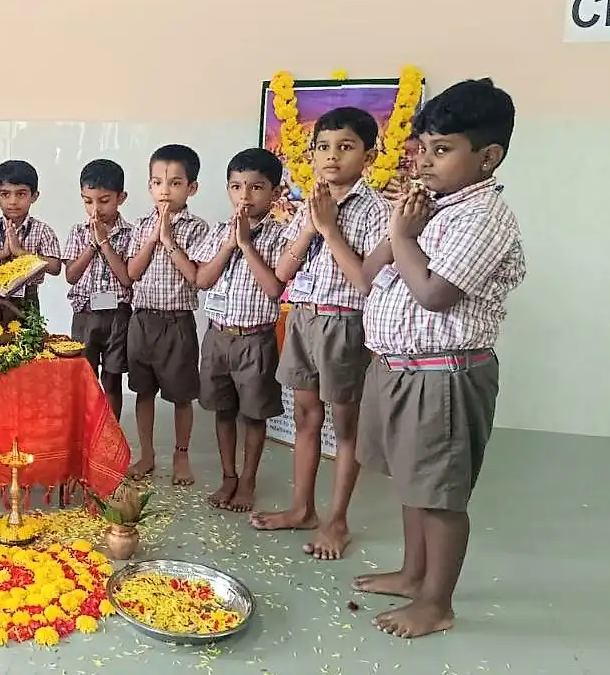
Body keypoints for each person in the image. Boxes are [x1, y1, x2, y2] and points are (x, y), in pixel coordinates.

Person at [353, 78, 524, 638]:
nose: (424, 161)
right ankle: (412, 573)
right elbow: (375, 273)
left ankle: (436, 603)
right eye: (422, 148)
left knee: (441, 495)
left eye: (443, 150)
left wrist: (403, 233)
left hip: (444, 377)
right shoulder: (436, 206)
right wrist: (403, 228)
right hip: (399, 369)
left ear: (487, 157)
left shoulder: (483, 215)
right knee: (411, 481)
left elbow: (433, 293)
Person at [251, 106, 388, 561]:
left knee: (346, 427)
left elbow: (365, 281)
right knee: (306, 417)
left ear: (368, 156)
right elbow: (283, 270)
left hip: (344, 323)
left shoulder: (375, 210)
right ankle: (302, 508)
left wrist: (328, 229)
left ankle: (338, 520)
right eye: (324, 147)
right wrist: (310, 225)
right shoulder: (310, 204)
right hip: (303, 317)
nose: (332, 157)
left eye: (346, 147)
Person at [192, 148, 288, 512]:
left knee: (253, 413)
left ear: (275, 193)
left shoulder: (280, 236)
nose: (245, 197)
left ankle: (247, 481)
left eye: (256, 188)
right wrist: (230, 244)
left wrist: (246, 245)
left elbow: (274, 288)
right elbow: (202, 279)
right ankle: (228, 476)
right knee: (222, 410)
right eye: (236, 187)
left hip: (256, 340)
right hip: (218, 335)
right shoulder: (219, 230)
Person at [124, 144, 210, 486]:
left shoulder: (199, 228)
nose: (164, 190)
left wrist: (169, 239)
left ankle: (181, 455)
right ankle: (146, 453)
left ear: (192, 188)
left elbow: (195, 276)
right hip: (143, 320)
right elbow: (131, 272)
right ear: (148, 186)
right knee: (143, 392)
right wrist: (152, 238)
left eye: (175, 183)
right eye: (157, 182)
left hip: (177, 324)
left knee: (181, 395)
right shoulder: (140, 225)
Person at [62, 158, 133, 420]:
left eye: (103, 200)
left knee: (112, 378)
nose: (95, 209)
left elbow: (127, 278)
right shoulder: (78, 232)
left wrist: (104, 242)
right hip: (85, 313)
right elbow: (71, 275)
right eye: (87, 200)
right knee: (85, 376)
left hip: (118, 315)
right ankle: (88, 431)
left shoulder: (131, 233)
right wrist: (92, 245)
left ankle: (111, 433)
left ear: (121, 197)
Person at [0, 159, 63, 314]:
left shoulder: (43, 230)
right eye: (5, 194)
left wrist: (20, 253)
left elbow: (55, 267)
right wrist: (2, 253)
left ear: (34, 196)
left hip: (27, 297)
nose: (13, 201)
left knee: (28, 337)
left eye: (21, 194)